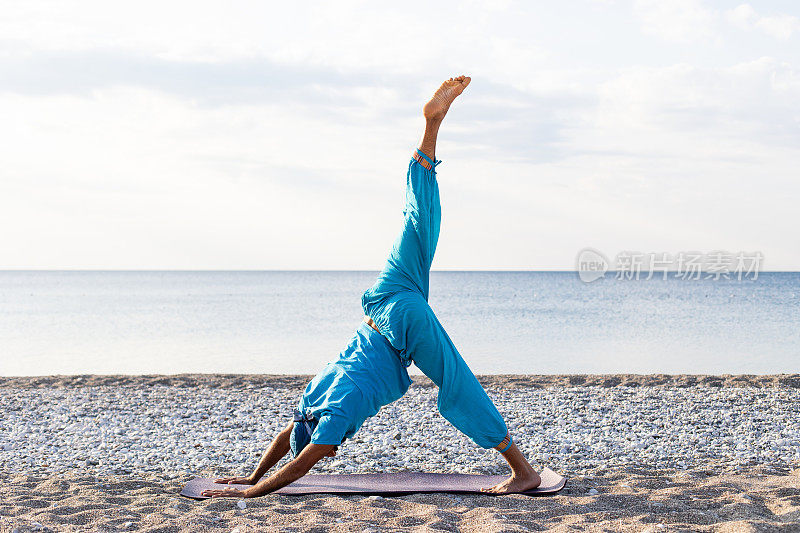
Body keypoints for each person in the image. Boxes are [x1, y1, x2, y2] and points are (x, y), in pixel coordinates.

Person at [202, 75, 541, 498]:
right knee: (417, 225)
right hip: (388, 293)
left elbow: (301, 463)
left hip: (403, 326)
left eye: (327, 452)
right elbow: (288, 433)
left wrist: (253, 490)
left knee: (457, 384)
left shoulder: (333, 420)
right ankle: (430, 131)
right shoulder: (314, 395)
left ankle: (523, 470)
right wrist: (252, 474)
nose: (330, 453)